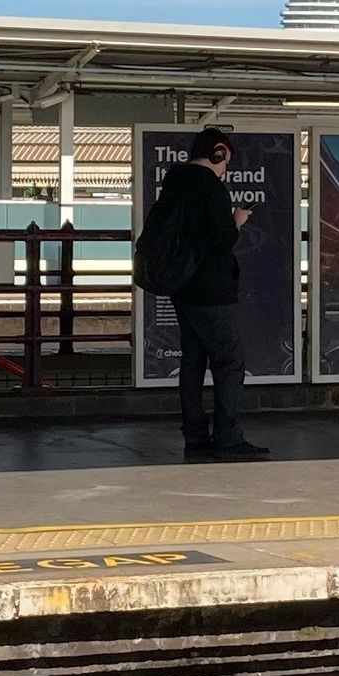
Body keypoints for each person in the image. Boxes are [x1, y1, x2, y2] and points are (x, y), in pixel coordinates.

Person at [134, 126, 268, 462]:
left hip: (183, 289)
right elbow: (222, 241)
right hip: (211, 290)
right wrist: (236, 220)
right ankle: (228, 436)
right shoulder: (210, 188)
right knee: (229, 361)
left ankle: (195, 435)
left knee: (193, 362)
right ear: (219, 152)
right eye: (226, 163)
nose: (225, 170)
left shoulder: (175, 184)